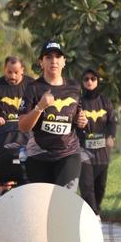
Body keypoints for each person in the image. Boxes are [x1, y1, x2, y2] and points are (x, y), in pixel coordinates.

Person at [18, 41, 87, 189]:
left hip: (69, 153)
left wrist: (82, 120)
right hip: (39, 155)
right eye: (48, 57)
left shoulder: (74, 87)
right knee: (42, 201)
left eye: (58, 57)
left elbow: (78, 117)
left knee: (64, 198)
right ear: (41, 62)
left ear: (64, 61)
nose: (53, 61)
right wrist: (39, 107)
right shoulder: (33, 88)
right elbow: (23, 126)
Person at [0, 55, 34, 194]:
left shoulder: (31, 85)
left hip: (27, 136)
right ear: (4, 69)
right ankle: (1, 189)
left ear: (22, 70)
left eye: (16, 72)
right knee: (2, 164)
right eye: (9, 72)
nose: (12, 76)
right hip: (3, 138)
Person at [78, 68, 117, 217]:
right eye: (86, 79)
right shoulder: (78, 102)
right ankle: (93, 216)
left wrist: (111, 136)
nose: (89, 81)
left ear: (97, 81)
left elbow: (112, 122)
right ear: (82, 82)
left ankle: (95, 212)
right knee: (87, 186)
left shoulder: (105, 101)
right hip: (83, 150)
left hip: (102, 152)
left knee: (100, 186)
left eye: (93, 79)